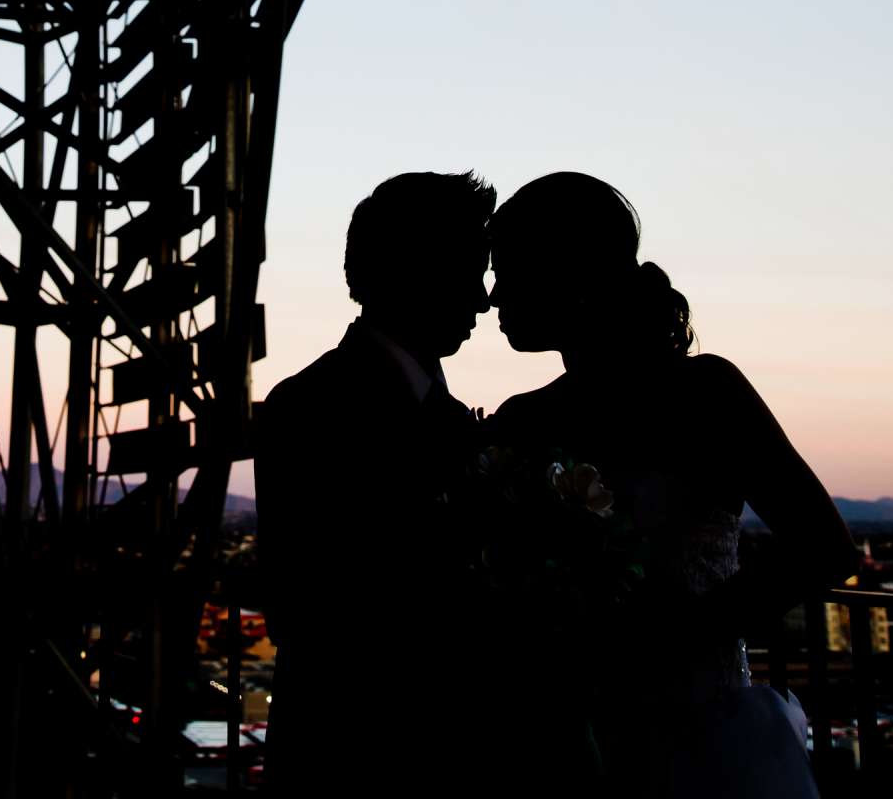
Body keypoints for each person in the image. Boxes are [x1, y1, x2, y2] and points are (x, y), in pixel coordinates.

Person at [489, 172, 859, 796]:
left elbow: (825, 546)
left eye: (510, 271)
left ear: (570, 276)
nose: (494, 296)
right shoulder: (521, 419)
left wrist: (672, 637)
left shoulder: (705, 394)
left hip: (699, 731)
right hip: (558, 734)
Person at [256, 170, 496, 796]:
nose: (484, 299)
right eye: (473, 270)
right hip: (352, 756)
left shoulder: (448, 419)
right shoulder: (309, 408)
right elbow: (309, 607)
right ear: (421, 270)